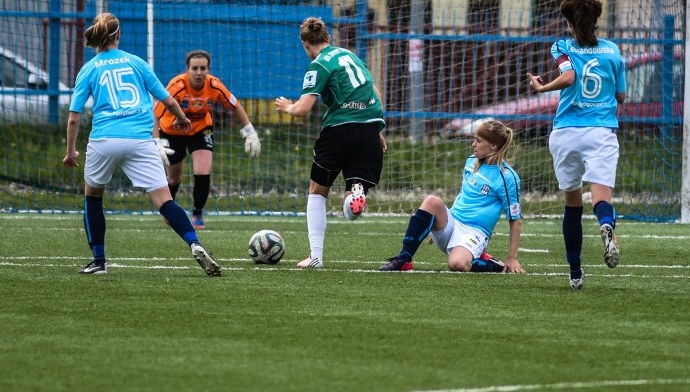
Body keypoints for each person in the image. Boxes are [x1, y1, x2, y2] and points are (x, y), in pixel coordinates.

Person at [63, 13, 221, 276]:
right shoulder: (136, 62)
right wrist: (182, 120)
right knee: (164, 200)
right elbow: (168, 99)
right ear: (118, 35)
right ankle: (194, 242)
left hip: (105, 140)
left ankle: (99, 261)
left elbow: (73, 117)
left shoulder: (89, 68)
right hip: (140, 140)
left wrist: (70, 152)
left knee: (93, 196)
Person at [527, 0, 626, 290]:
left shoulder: (562, 45)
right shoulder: (613, 51)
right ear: (596, 21)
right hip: (601, 132)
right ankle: (606, 226)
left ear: (569, 23)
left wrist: (542, 88)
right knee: (601, 198)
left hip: (567, 132)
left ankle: (575, 273)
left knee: (572, 204)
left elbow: (569, 78)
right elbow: (621, 96)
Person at [275, 16, 386, 269]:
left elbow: (303, 109)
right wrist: (377, 129)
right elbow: (375, 93)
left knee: (317, 192)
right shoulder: (350, 56)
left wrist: (287, 107)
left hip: (338, 132)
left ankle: (316, 257)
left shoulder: (319, 65)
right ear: (328, 37)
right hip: (369, 130)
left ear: (305, 43)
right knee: (351, 209)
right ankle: (355, 196)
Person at [379, 120, 526, 274]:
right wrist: (436, 222)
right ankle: (403, 259)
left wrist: (512, 257)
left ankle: (490, 263)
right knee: (431, 201)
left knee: (457, 264)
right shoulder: (471, 162)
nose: (473, 144)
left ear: (493, 146)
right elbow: (464, 194)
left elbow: (515, 219)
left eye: (478, 140)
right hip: (453, 222)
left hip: (474, 233)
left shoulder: (507, 178)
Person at [153, 49, 260, 229]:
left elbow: (235, 106)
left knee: (203, 171)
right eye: (194, 68)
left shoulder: (215, 86)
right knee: (173, 178)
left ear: (208, 69)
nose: (199, 72)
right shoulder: (176, 86)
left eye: (203, 68)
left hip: (201, 130)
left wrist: (250, 132)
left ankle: (197, 213)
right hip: (172, 132)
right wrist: (157, 141)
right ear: (187, 69)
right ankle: (168, 210)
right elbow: (155, 116)